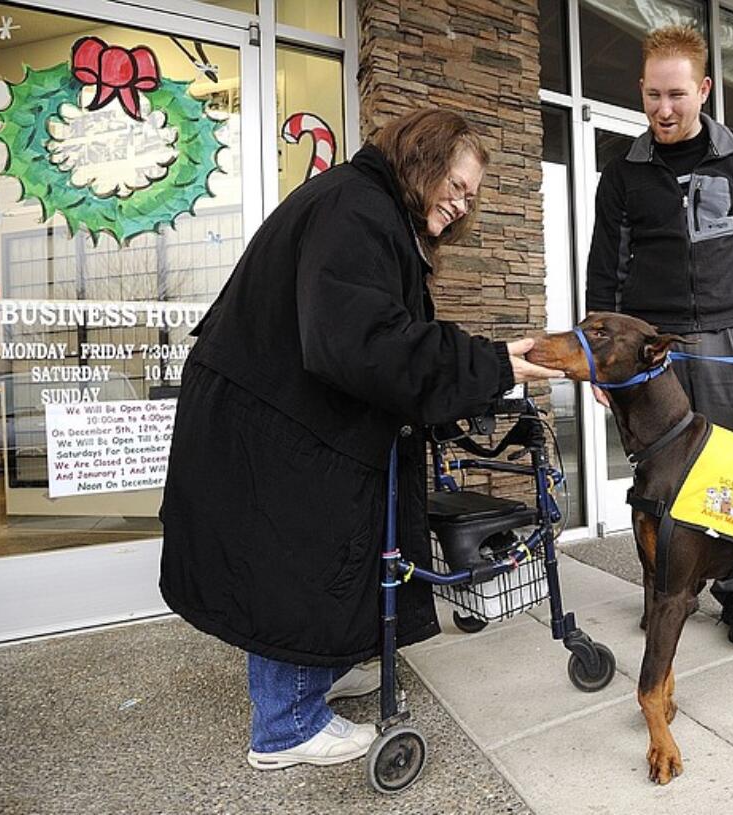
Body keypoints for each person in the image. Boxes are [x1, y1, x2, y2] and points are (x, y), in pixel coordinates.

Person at [159, 108, 562, 770]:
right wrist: (492, 362)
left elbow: (372, 336)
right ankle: (285, 725)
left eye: (470, 196)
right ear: (423, 162)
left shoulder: (368, 207)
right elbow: (364, 342)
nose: (462, 205)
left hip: (280, 411)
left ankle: (321, 669)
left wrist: (473, 371)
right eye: (456, 186)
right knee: (296, 552)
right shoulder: (358, 207)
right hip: (276, 422)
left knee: (318, 548)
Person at [585, 25, 733, 646]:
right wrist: (603, 360)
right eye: (652, 95)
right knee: (661, 477)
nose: (664, 109)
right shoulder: (623, 173)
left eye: (676, 94)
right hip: (657, 349)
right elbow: (606, 270)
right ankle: (664, 593)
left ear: (703, 89)